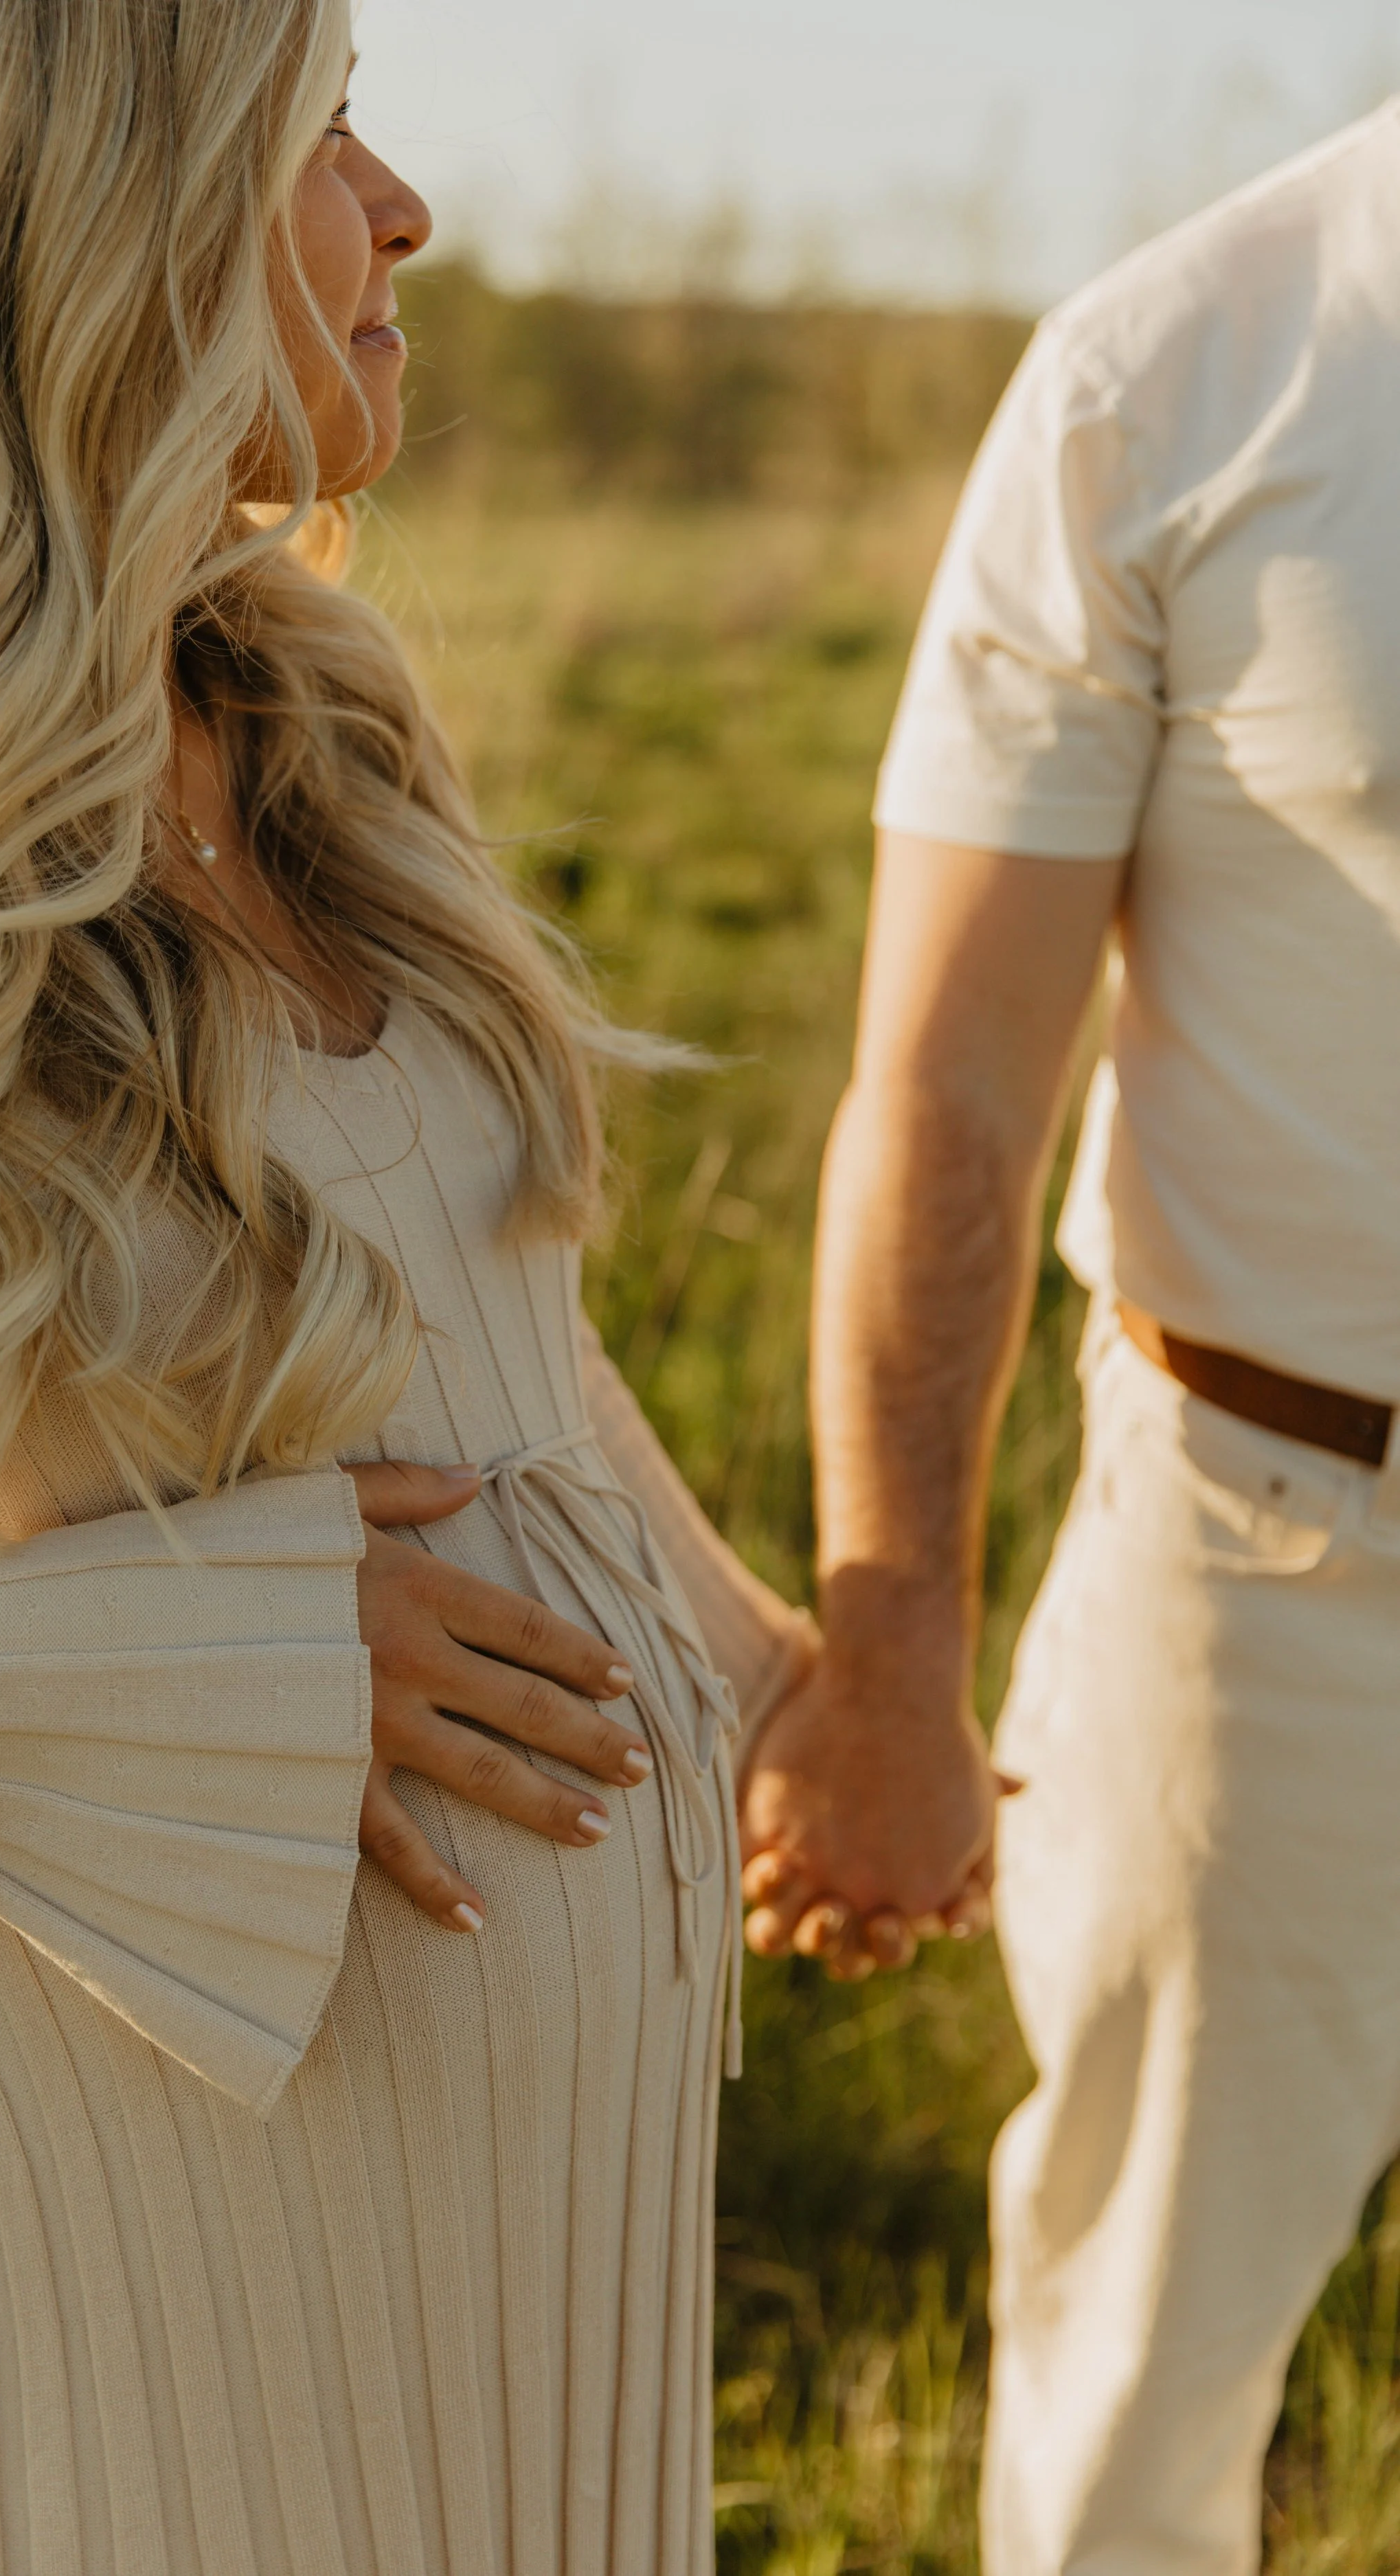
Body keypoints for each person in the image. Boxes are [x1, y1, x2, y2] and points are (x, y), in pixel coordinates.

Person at [0, 4, 818, 2566]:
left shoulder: (310, 722)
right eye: (309, 130)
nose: (403, 201)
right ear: (79, 209)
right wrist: (172, 1672)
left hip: (490, 2307)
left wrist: (770, 1675)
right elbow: (258, 1610)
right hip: (44, 2275)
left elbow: (485, 1335)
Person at [737, 98, 1400, 2576]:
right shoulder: (1176, 370)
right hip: (1279, 1586)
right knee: (1134, 2410)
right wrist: (891, 1635)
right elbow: (947, 1083)